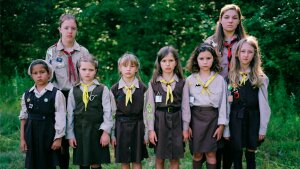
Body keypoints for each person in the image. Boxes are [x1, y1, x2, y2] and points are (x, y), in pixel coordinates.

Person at [205, 4, 247, 169]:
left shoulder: (244, 43)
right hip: (215, 94)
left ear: (239, 21)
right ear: (220, 20)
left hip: (238, 93)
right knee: (218, 134)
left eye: (234, 18)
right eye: (226, 17)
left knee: (234, 136)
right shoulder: (210, 41)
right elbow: (200, 65)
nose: (230, 21)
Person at [45, 13, 90, 169]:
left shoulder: (83, 51)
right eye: (66, 28)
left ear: (76, 30)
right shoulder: (52, 52)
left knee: (81, 135)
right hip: (60, 97)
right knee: (62, 137)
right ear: (60, 29)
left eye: (73, 28)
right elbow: (47, 77)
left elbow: (88, 75)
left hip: (79, 95)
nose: (70, 31)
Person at [225, 36, 271, 169]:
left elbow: (264, 106)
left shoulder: (260, 78)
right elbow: (227, 105)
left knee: (251, 153)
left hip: (253, 119)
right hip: (235, 119)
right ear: (237, 53)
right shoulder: (230, 77)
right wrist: (226, 129)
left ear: (255, 55)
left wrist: (263, 128)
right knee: (236, 153)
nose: (246, 55)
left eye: (250, 52)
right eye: (243, 51)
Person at [145, 46, 190, 169]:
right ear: (159, 63)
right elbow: (149, 108)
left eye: (171, 60)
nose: (167, 64)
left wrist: (185, 128)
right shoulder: (153, 83)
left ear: (176, 62)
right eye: (164, 61)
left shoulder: (182, 82)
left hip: (177, 122)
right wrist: (151, 129)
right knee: (160, 158)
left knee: (175, 159)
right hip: (160, 123)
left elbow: (186, 106)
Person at [66, 56, 113, 169]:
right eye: (84, 69)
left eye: (91, 70)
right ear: (78, 70)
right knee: (83, 162)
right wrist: (70, 135)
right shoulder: (74, 90)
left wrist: (106, 132)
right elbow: (70, 114)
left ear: (96, 71)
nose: (87, 72)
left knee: (96, 162)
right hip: (80, 131)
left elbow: (108, 112)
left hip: (97, 131)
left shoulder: (102, 89)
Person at [186, 43, 227, 169]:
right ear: (196, 60)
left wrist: (221, 125)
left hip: (213, 119)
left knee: (211, 153)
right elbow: (185, 105)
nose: (205, 62)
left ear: (213, 59)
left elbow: (223, 104)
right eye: (201, 59)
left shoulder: (220, 80)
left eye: (208, 58)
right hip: (195, 119)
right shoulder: (190, 80)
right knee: (197, 153)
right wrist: (187, 124)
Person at [19, 59, 66, 169]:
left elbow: (60, 117)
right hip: (31, 132)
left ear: (49, 73)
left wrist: (58, 138)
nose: (39, 76)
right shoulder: (27, 94)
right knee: (32, 163)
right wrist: (22, 139)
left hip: (48, 132)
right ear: (31, 76)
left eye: (42, 72)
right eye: (35, 73)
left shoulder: (56, 93)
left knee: (47, 162)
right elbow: (23, 117)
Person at [110, 53, 149, 169]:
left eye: (132, 66)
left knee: (137, 160)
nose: (128, 69)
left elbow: (148, 112)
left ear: (136, 69)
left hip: (138, 127)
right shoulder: (114, 89)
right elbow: (111, 114)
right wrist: (112, 134)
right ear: (120, 68)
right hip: (120, 127)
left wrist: (147, 132)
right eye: (125, 66)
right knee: (124, 161)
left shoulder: (143, 89)